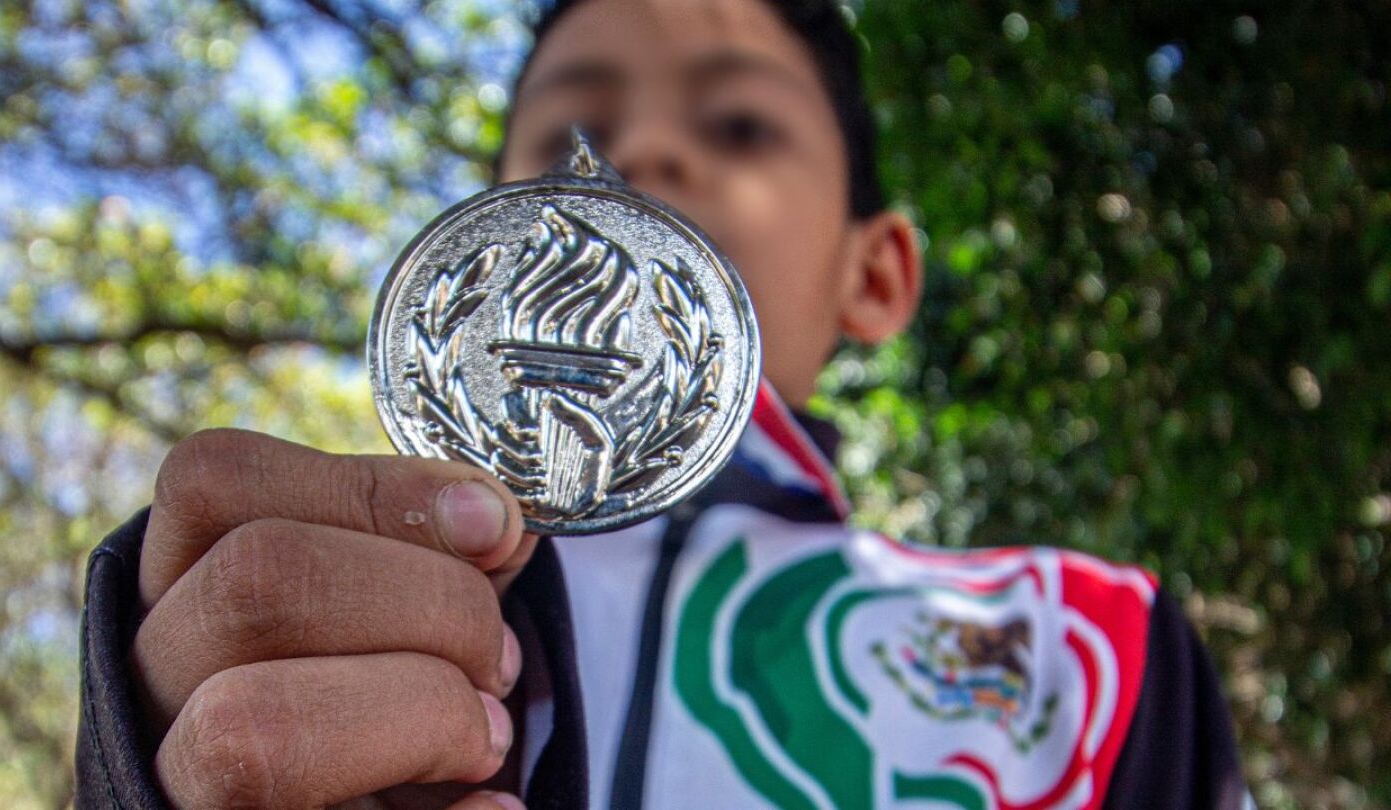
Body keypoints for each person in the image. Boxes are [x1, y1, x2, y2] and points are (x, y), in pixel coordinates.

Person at [75, 0, 1250, 808]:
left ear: (877, 272)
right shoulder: (310, 620)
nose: (635, 153)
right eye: (566, 134)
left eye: (738, 122)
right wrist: (142, 758)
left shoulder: (1086, 650)